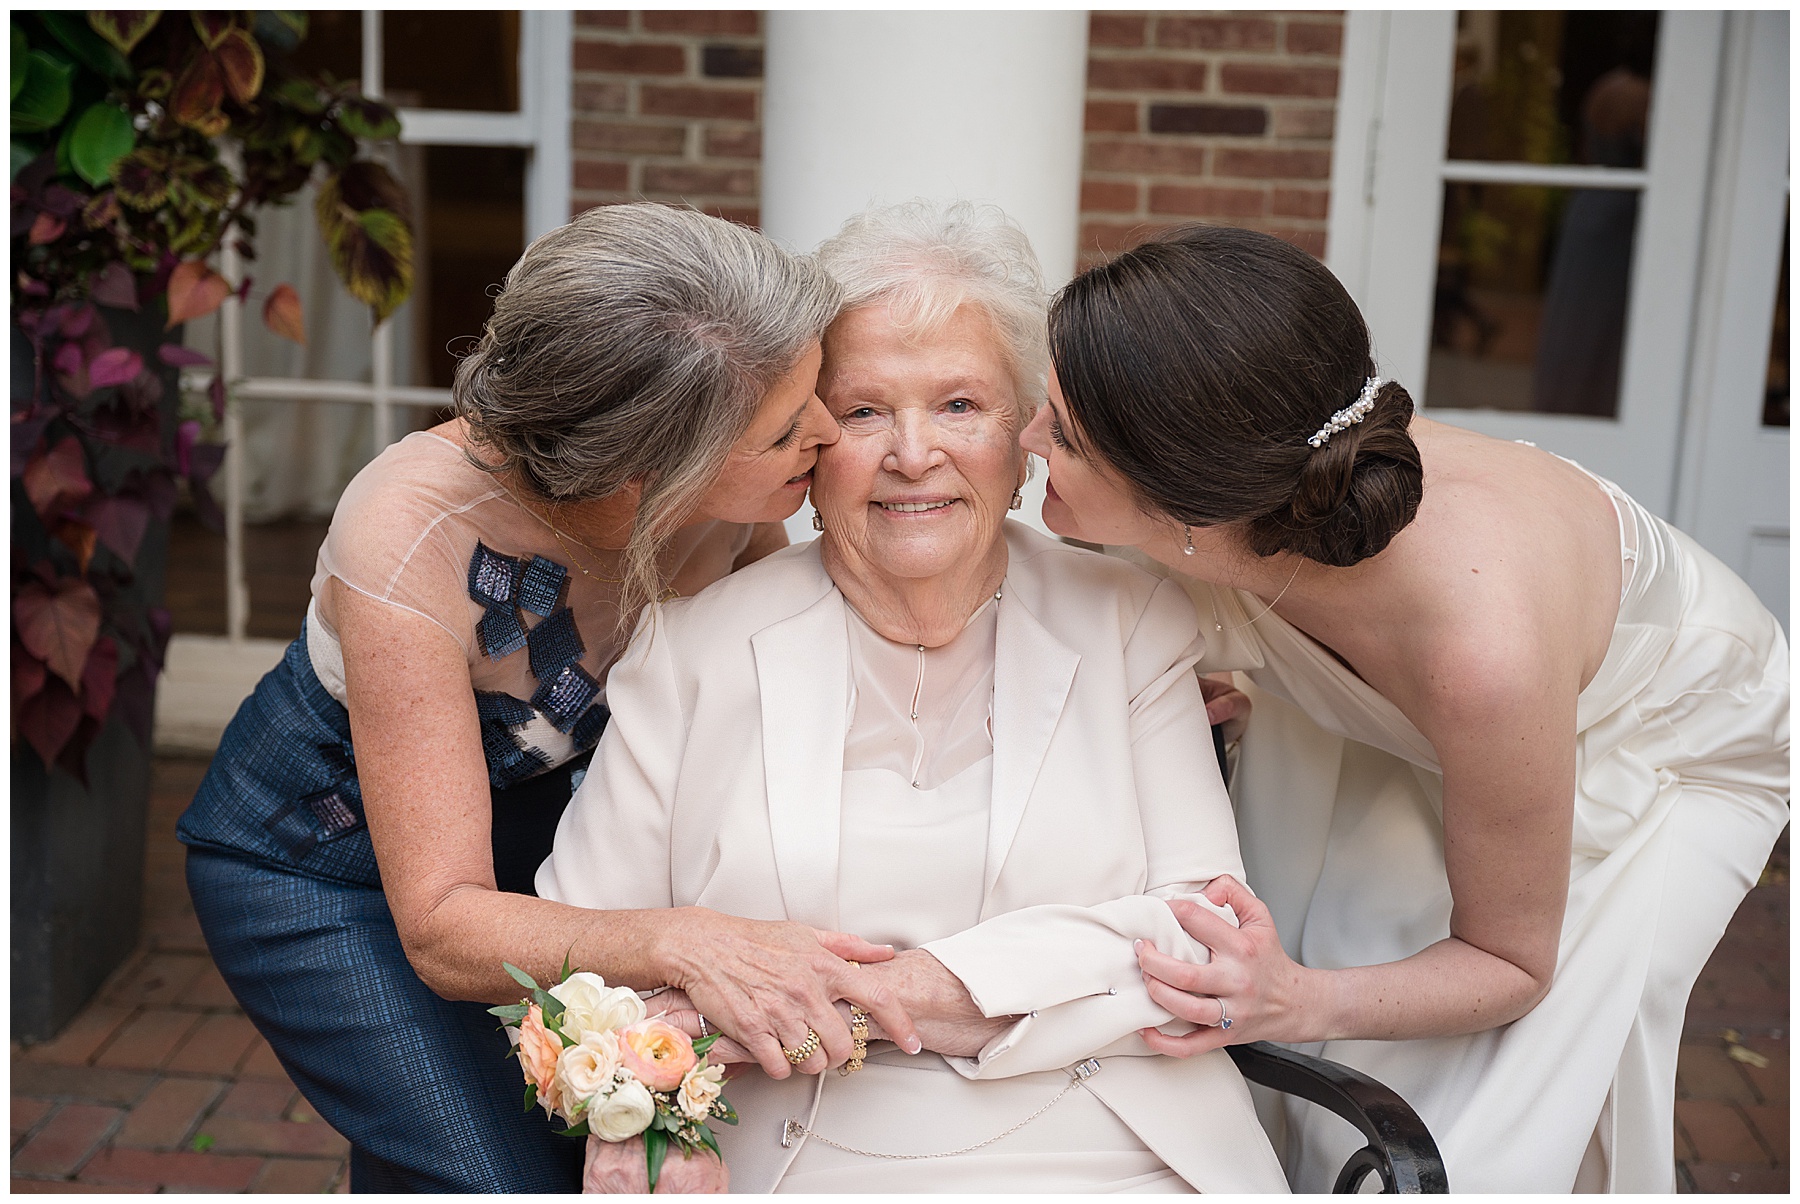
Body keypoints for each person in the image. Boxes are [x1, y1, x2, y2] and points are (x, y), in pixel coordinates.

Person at [1019, 223, 1789, 1191]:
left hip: (1673, 739)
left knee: (1513, 1120)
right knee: (1343, 937)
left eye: (1064, 436)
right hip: (1464, 688)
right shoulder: (1268, 485)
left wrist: (1295, 999)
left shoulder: (1482, 657)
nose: (1024, 441)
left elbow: (1511, 960)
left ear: (1188, 512)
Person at [540, 202, 1289, 1193]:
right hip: (802, 1147)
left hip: (1111, 1128)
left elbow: (1198, 930)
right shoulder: (694, 650)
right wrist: (643, 1113)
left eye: (959, 405)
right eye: (863, 411)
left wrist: (865, 999)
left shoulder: (1129, 618)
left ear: (1022, 433)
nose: (912, 453)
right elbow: (579, 959)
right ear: (809, 443)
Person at [176, 203, 922, 1192]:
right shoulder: (406, 535)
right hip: (328, 862)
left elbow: (782, 696)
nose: (827, 434)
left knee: (576, 1144)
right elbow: (442, 923)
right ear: (650, 470)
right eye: (788, 426)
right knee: (494, 1175)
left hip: (556, 844)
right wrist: (678, 940)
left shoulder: (735, 505)